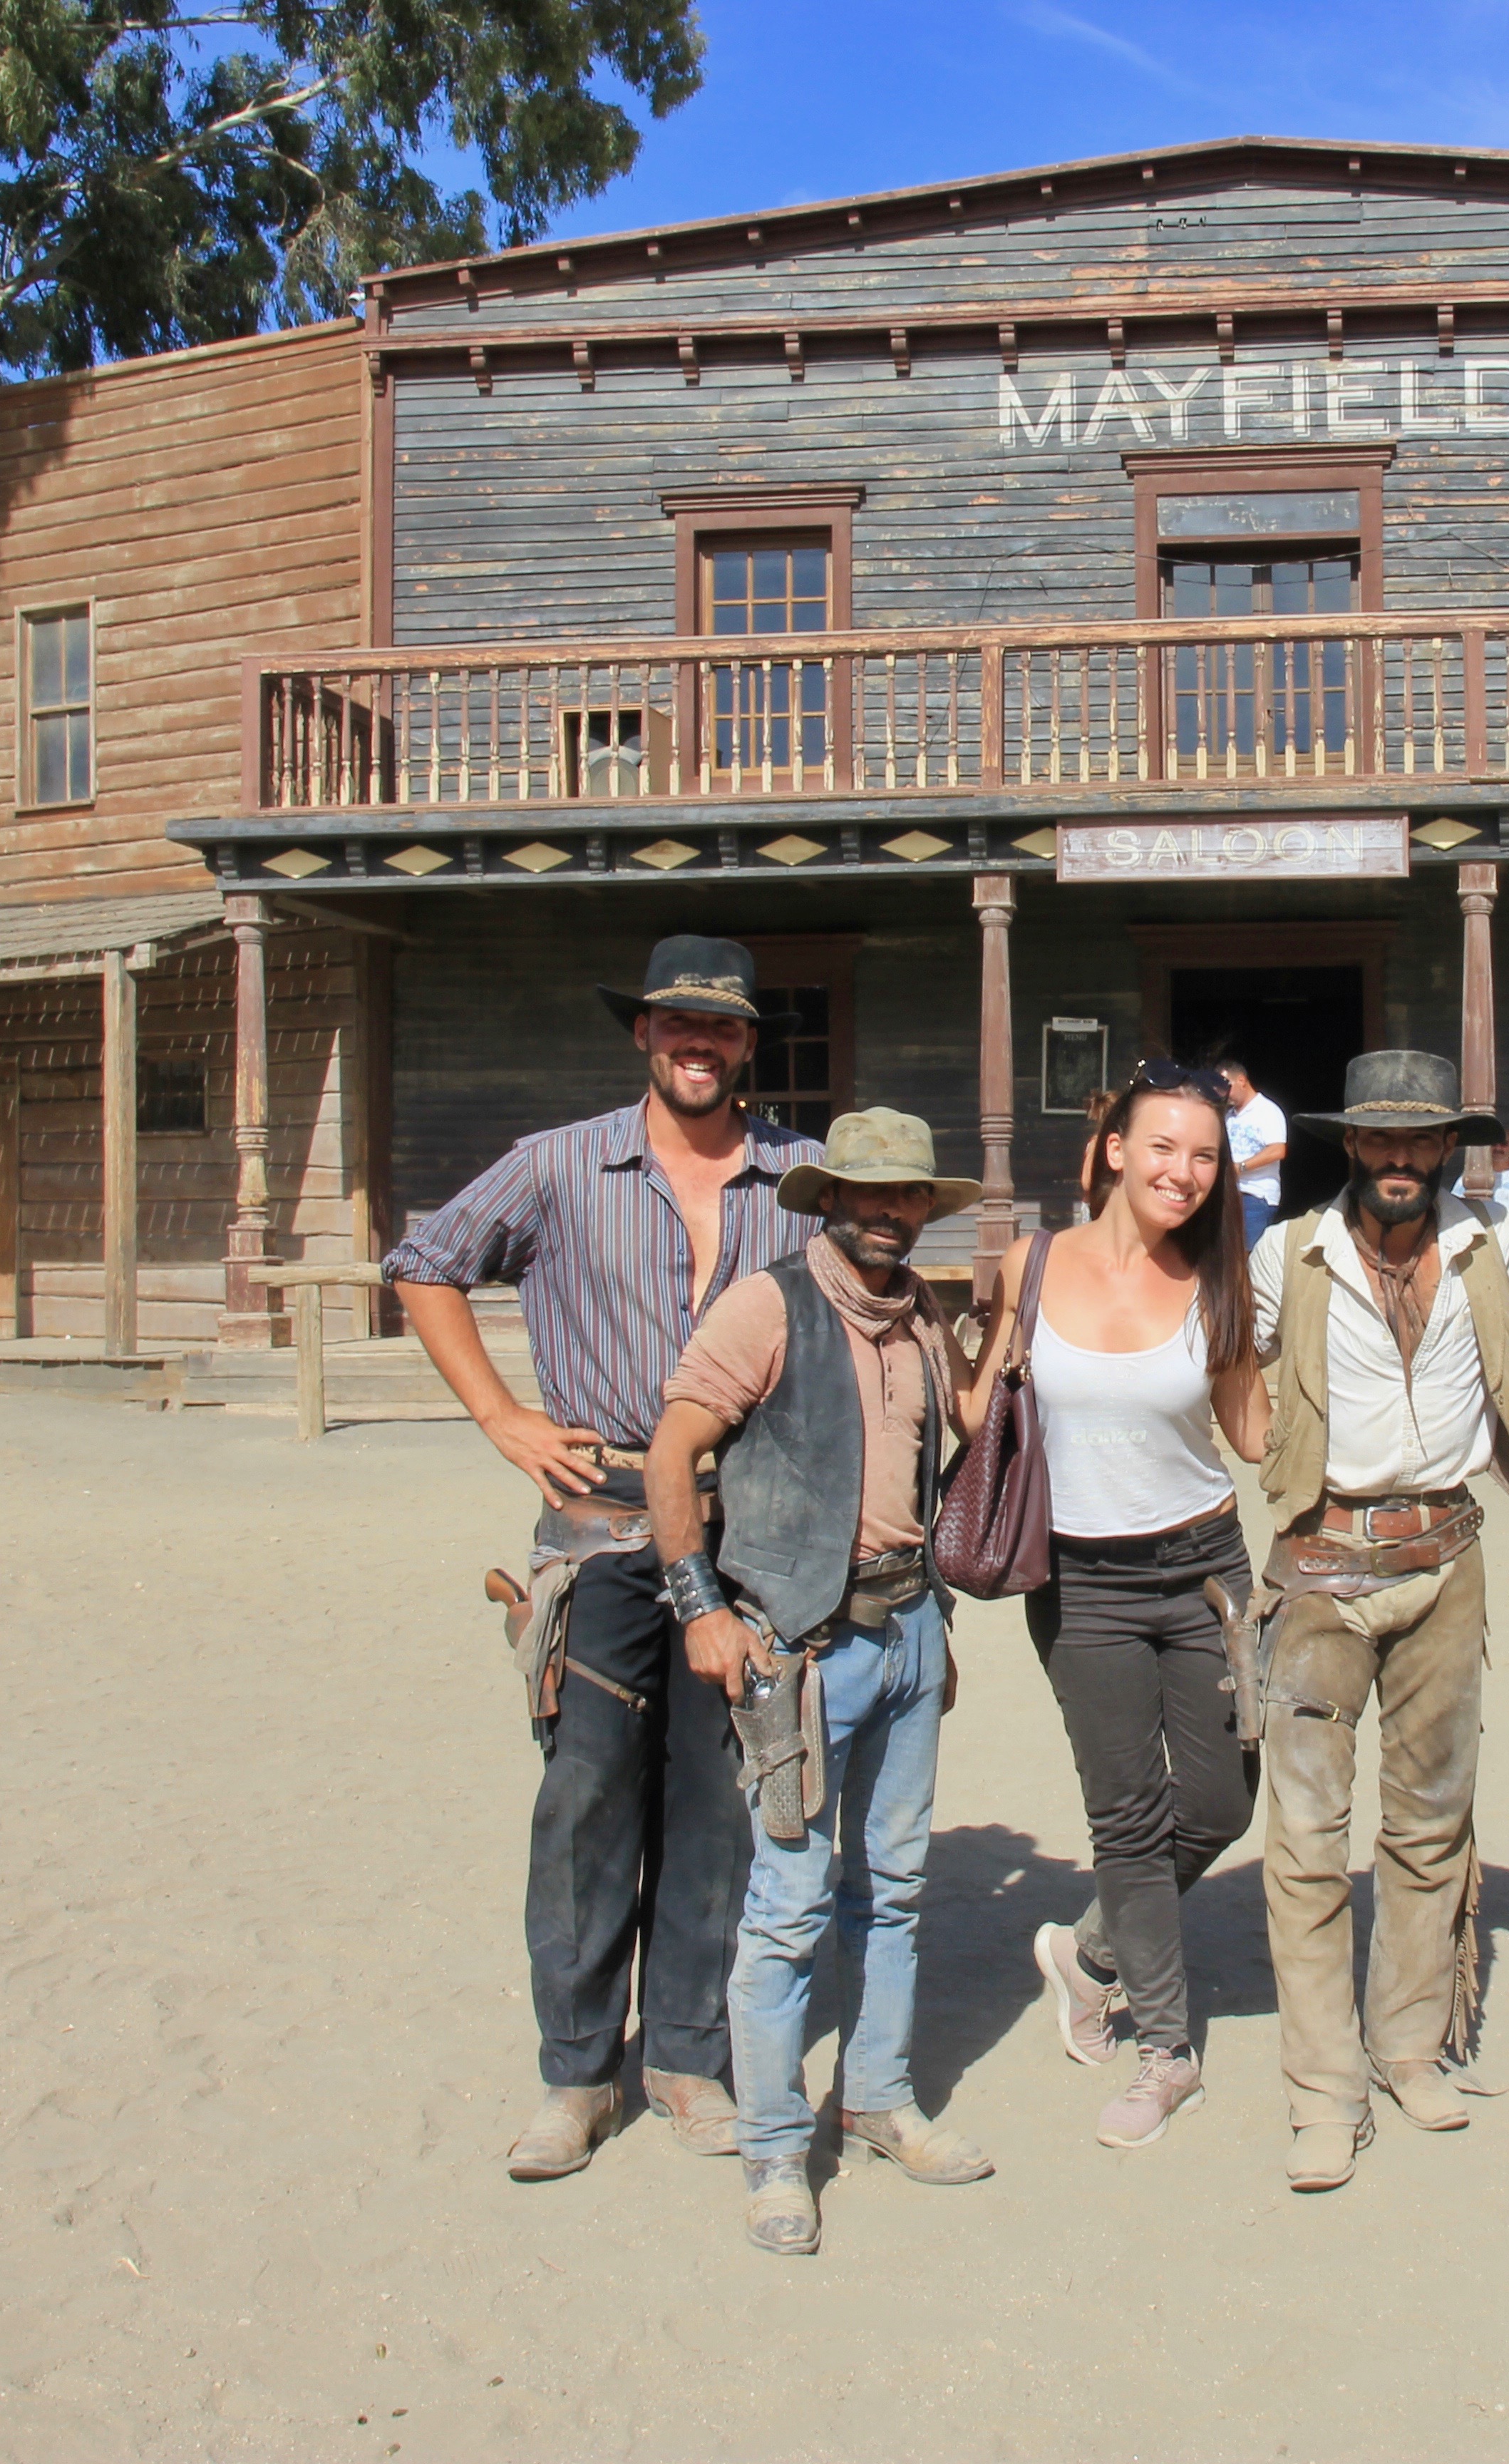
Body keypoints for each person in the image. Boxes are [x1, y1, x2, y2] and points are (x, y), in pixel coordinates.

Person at [383, 934, 823, 2183]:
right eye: (677, 1022)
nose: (699, 1043)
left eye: (722, 1026)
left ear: (748, 1042)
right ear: (644, 1033)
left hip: (743, 1534)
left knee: (714, 1797)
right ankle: (576, 2071)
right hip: (600, 1521)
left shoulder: (800, 1175)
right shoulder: (559, 1165)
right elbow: (424, 1264)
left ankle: (684, 2055)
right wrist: (501, 1416)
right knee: (584, 1797)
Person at [652, 1109, 995, 2256]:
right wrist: (701, 1607)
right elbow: (672, 1449)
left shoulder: (923, 1314)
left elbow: (966, 1431)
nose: (888, 1214)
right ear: (831, 1201)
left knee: (894, 1886)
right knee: (789, 1907)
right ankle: (772, 2154)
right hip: (799, 1643)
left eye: (905, 1200)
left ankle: (881, 2096)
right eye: (869, 1196)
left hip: (903, 1629)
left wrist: (1011, 1324)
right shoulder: (768, 1306)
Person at [1245, 1049, 1509, 2191]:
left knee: (1429, 1826)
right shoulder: (1289, 1255)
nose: (1403, 1158)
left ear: (1450, 1147)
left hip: (1447, 1557)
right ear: (1352, 1144)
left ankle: (1409, 2045)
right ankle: (1325, 2090)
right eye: (1382, 1138)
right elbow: (1219, 1352)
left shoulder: (1490, 1249)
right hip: (1320, 1563)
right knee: (1309, 1842)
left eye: (1424, 1139)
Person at [996, 1057, 1273, 2150]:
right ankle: (1166, 2048)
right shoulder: (1028, 1264)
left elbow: (1256, 1437)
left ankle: (1090, 1950)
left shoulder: (1218, 1280)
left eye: (1206, 1155)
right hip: (1083, 1581)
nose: (1185, 1172)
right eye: (1163, 1146)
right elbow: (985, 1410)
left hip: (1207, 1566)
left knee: (1222, 1799)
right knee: (1126, 1814)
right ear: (1114, 1147)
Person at [1219, 1059, 1289, 1248]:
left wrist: (1241, 1167)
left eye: (1227, 1086)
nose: (1224, 1093)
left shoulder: (1267, 1111)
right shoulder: (1229, 1115)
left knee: (1249, 1256)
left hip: (1257, 1195)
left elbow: (1278, 1150)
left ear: (1241, 1080)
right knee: (1228, 1253)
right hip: (1231, 1193)